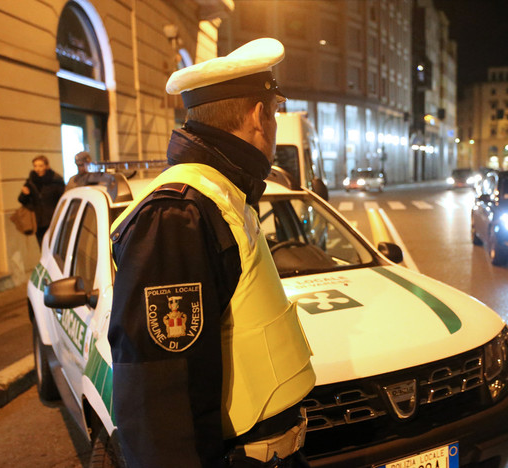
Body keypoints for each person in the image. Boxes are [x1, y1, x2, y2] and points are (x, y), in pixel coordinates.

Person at [108, 38, 316, 468]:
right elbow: (161, 407)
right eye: (275, 112)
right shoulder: (178, 213)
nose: (274, 124)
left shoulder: (222, 194)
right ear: (259, 116)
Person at [18, 155, 65, 246]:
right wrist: (25, 194)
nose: (37, 169)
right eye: (35, 166)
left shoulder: (55, 180)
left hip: (54, 220)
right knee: (43, 247)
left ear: (47, 166)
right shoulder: (31, 181)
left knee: (55, 246)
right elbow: (21, 200)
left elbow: (62, 198)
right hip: (39, 222)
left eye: (40, 166)